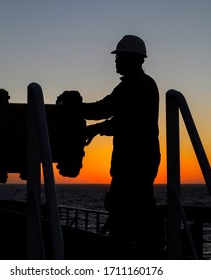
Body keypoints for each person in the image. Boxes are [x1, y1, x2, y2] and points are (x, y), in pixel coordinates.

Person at [82, 35, 161, 255]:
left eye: (120, 57)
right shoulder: (128, 86)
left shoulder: (144, 86)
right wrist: (73, 108)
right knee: (124, 213)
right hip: (128, 163)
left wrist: (95, 129)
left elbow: (126, 121)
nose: (115, 62)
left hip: (138, 163)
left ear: (133, 59)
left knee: (135, 214)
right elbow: (103, 108)